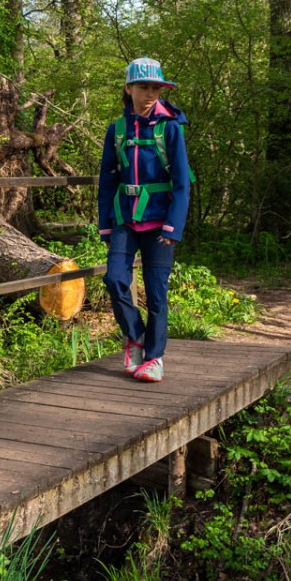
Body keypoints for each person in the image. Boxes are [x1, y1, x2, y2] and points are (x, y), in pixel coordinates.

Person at [98, 57, 192, 383]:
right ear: (129, 89)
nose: (150, 92)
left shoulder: (170, 128)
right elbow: (107, 180)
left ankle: (154, 358)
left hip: (160, 223)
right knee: (114, 279)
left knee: (156, 293)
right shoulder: (118, 130)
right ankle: (135, 336)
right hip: (124, 219)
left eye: (155, 87)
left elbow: (182, 181)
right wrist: (105, 223)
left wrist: (174, 226)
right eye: (143, 86)